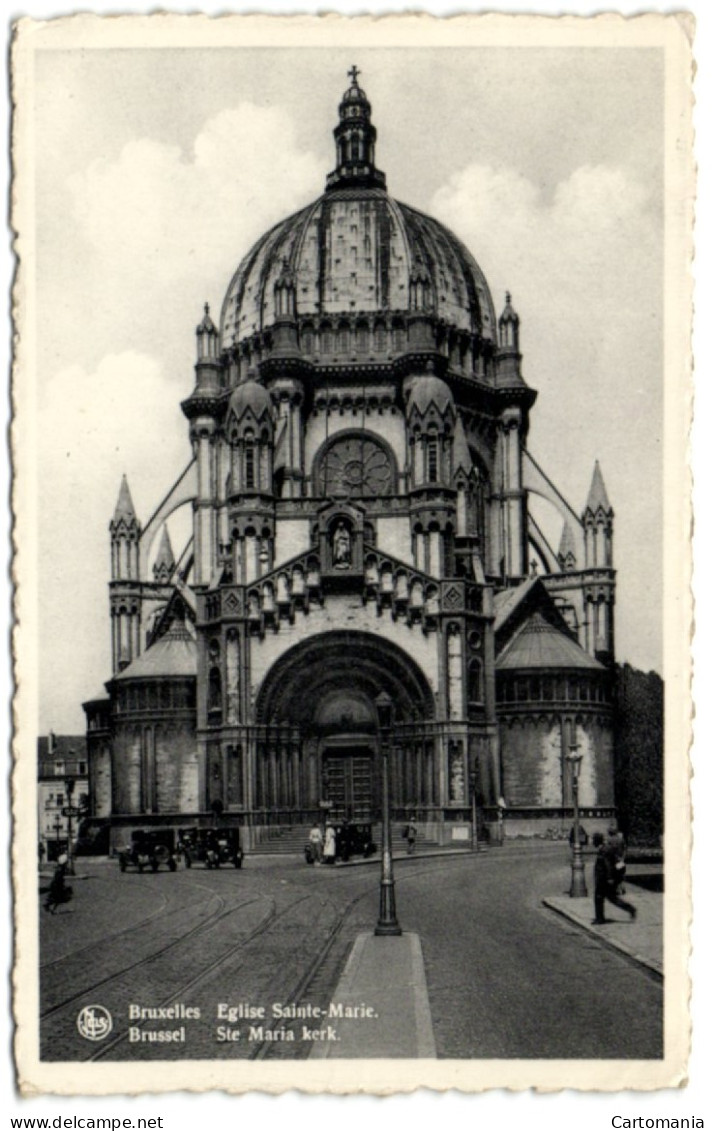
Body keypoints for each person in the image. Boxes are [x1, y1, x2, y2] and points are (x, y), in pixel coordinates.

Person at [592, 831, 636, 924]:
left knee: (599, 897)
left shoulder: (604, 850)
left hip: (604, 879)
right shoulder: (606, 848)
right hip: (607, 878)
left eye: (593, 840)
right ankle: (630, 909)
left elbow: (607, 865)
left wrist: (609, 878)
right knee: (612, 898)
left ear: (596, 841)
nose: (592, 842)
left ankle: (599, 918)